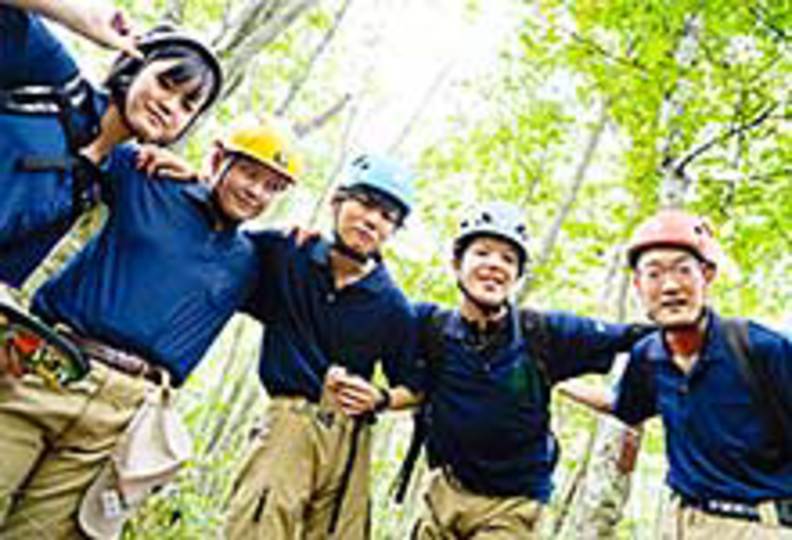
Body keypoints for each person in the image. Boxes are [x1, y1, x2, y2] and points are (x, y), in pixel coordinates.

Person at [0, 116, 302, 538]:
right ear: (218, 158)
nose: (256, 191)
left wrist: (314, 245)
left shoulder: (253, 262)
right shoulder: (150, 181)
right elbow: (85, 141)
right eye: (250, 173)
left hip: (122, 414)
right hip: (50, 365)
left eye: (272, 186)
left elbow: (323, 297)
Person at [383, 201, 652, 539]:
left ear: (517, 275)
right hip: (443, 493)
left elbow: (631, 336)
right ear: (456, 264)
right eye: (482, 253)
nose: (495, 265)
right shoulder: (429, 326)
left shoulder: (544, 333)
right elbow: (369, 308)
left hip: (512, 505)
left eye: (508, 259)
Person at [224, 154, 423, 540]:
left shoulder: (392, 305)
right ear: (336, 203)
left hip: (349, 440)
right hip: (288, 424)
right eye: (364, 203)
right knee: (258, 527)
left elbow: (416, 386)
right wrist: (195, 176)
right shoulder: (287, 254)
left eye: (386, 216)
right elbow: (218, 236)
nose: (371, 220)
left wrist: (379, 399)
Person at [564, 208, 792, 539]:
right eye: (654, 274)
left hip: (758, 525)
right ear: (638, 285)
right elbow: (624, 406)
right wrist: (559, 383)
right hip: (678, 524)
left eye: (683, 271)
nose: (670, 286)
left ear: (707, 276)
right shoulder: (649, 355)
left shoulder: (760, 349)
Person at [0, 0, 222, 287]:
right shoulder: (52, 76)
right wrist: (81, 15)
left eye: (187, 106)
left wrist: (198, 177)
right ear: (132, 68)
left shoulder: (109, 177)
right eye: (165, 84)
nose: (170, 106)